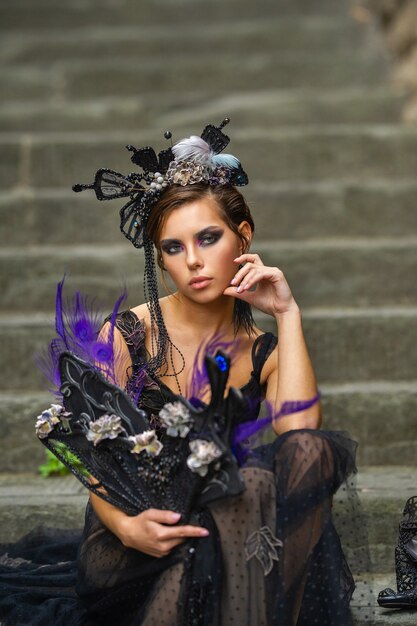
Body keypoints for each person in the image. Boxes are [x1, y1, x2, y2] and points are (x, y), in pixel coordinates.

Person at [0, 120, 358, 626]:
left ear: (243, 236)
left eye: (208, 238)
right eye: (173, 247)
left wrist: (288, 313)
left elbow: (300, 445)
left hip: (227, 532)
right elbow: (94, 460)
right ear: (161, 258)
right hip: (136, 541)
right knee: (246, 493)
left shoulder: (266, 352)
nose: (193, 261)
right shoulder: (126, 335)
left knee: (274, 472)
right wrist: (126, 527)